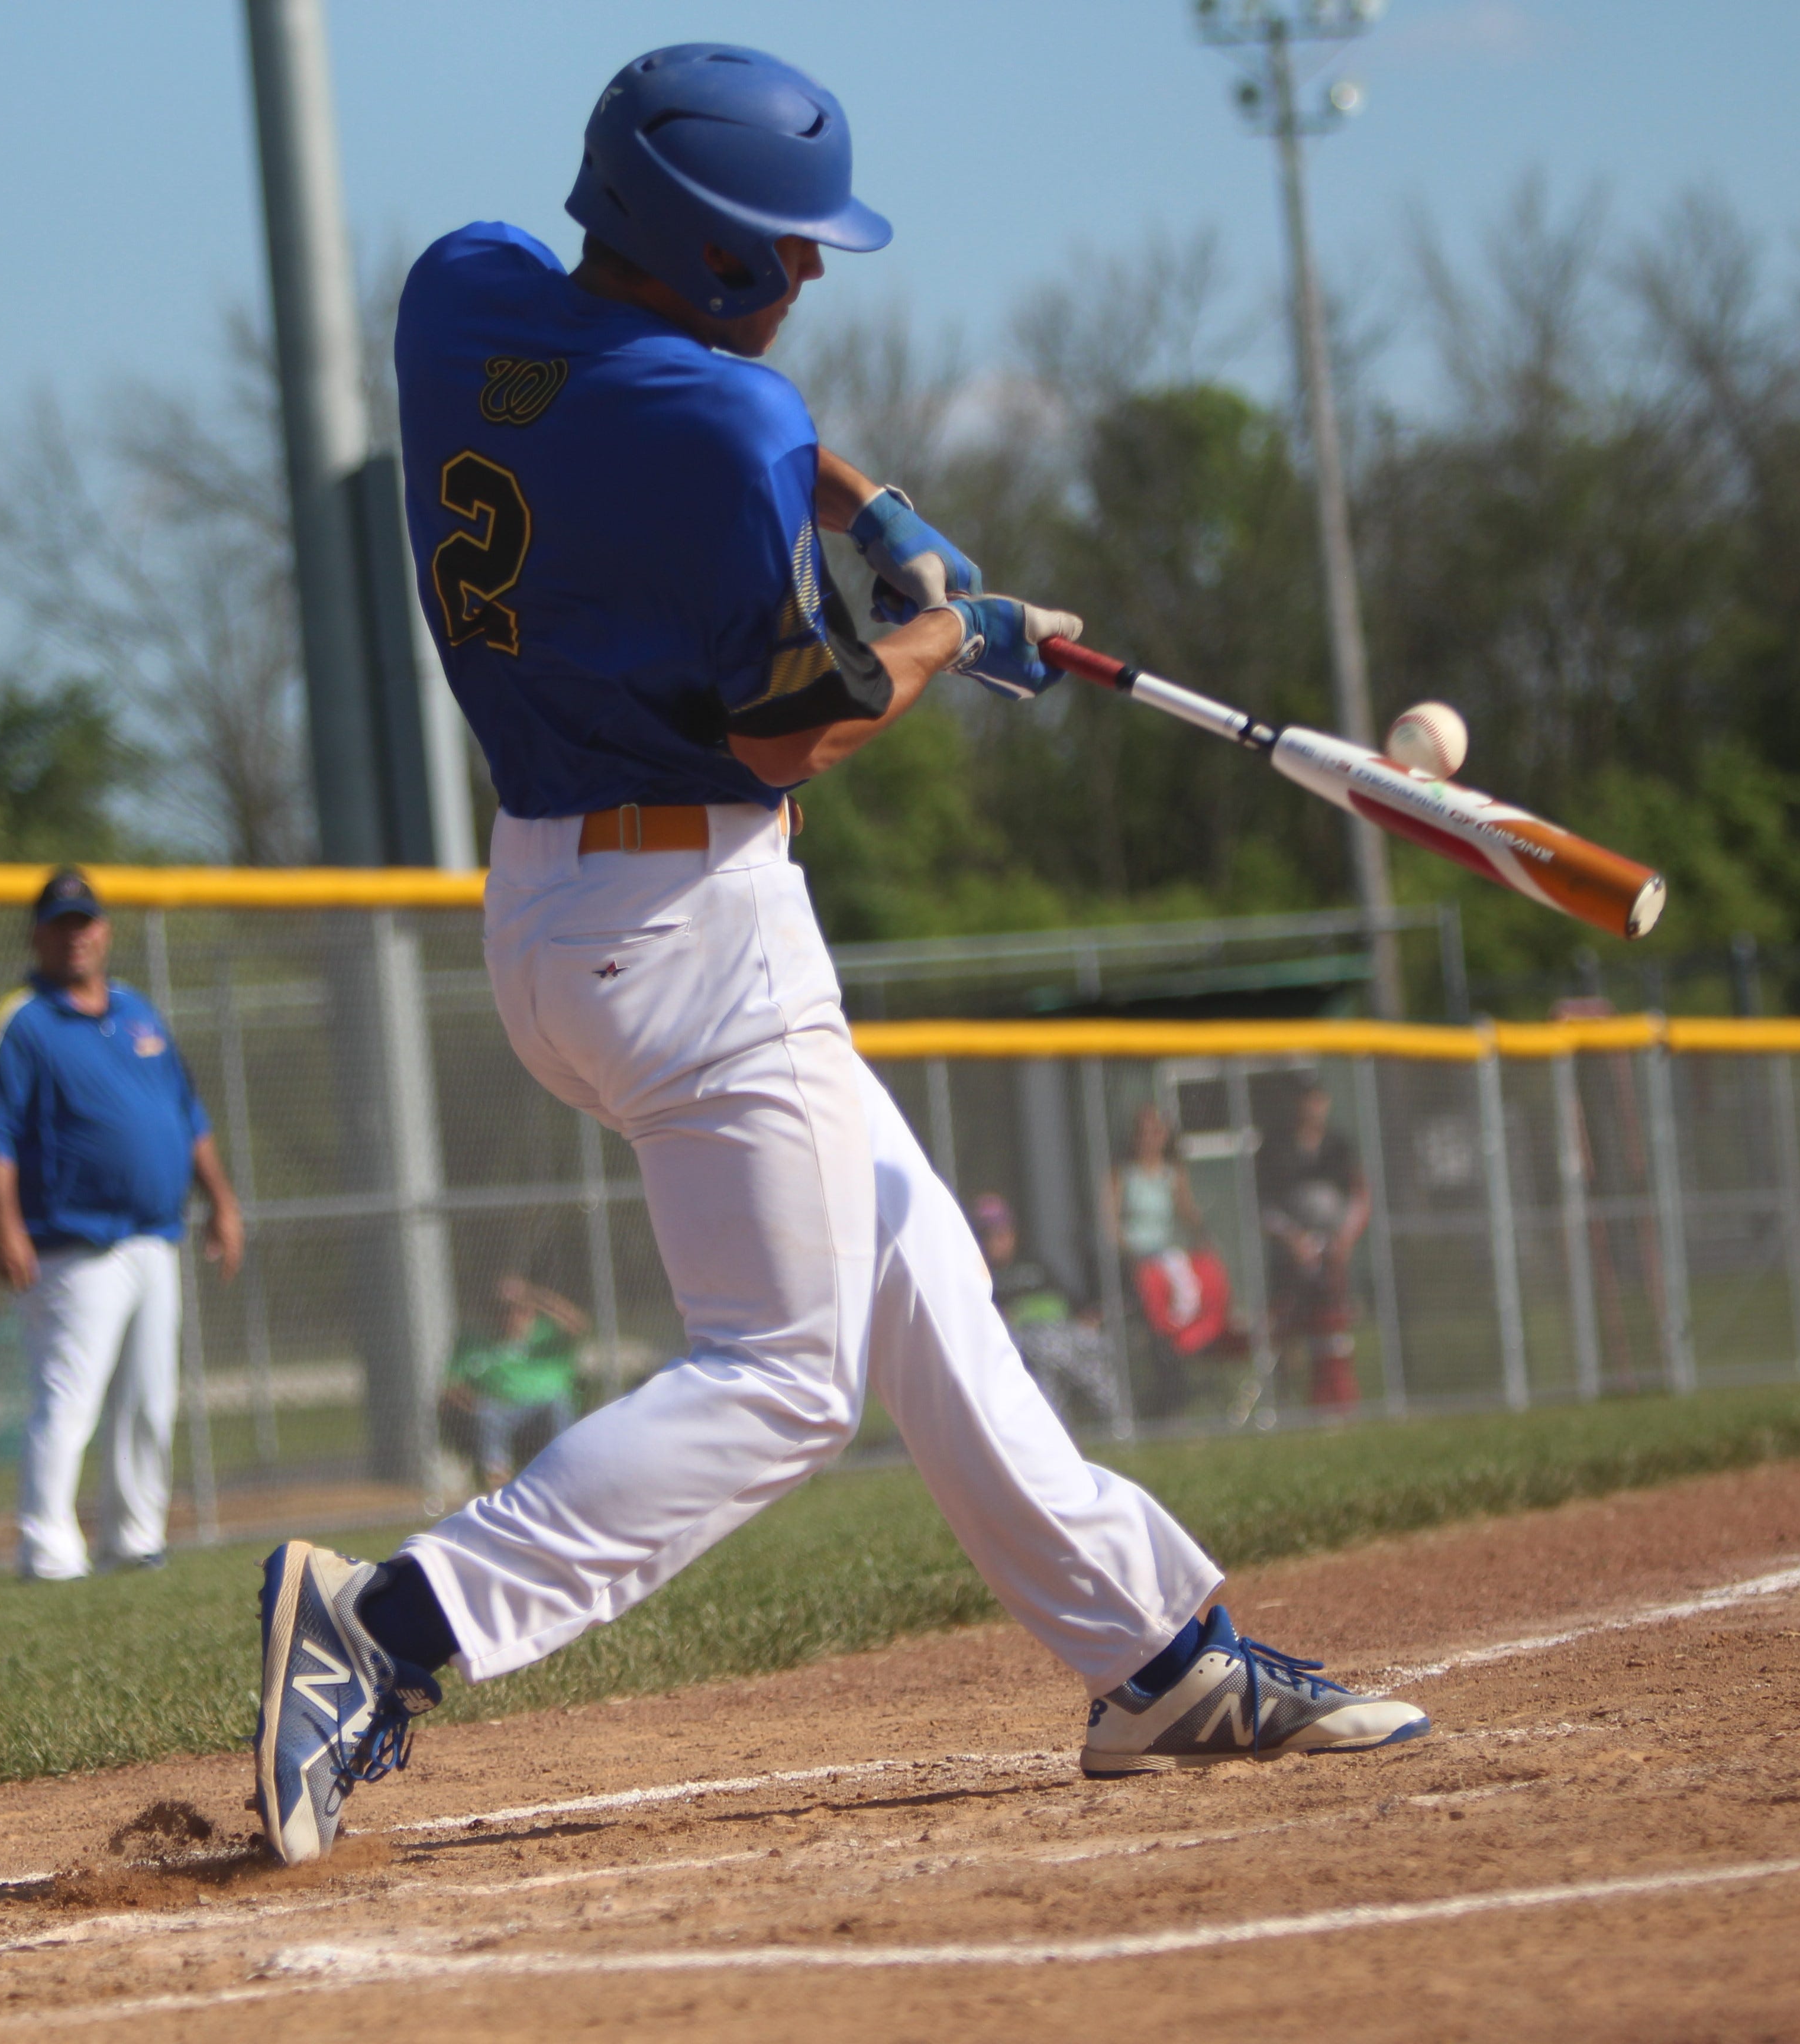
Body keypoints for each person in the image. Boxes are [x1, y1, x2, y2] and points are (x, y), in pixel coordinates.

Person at [250, 43, 1426, 1867]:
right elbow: (790, 727)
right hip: (697, 926)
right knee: (787, 1372)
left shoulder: (462, 287)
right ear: (711, 252)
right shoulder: (720, 435)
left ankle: (1159, 1657)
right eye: (784, 251)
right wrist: (952, 638)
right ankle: (393, 1629)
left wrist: (872, 519)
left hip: (557, 907)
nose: (806, 277)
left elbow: (714, 421)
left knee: (919, 1270)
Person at [0, 868, 243, 1580]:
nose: (76, 934)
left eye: (85, 921)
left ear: (105, 930)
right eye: (61, 923)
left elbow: (188, 1116)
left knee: (150, 1400)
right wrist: (5, 1226)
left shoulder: (138, 1011)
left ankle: (133, 1538)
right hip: (72, 1246)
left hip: (155, 1235)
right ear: (38, 936)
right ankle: (49, 1550)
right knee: (68, 1401)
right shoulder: (21, 1022)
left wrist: (222, 1201)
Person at [1106, 1101, 1233, 1416]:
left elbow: (1188, 1214)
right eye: (1143, 1133)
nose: (1150, 1139)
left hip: (1165, 1258)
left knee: (1196, 1282)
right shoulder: (1123, 1175)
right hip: (1138, 1261)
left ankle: (1192, 1347)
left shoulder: (1172, 1175)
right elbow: (1112, 1223)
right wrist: (1130, 1254)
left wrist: (1204, 1237)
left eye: (1156, 1132)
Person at [1258, 1081, 1371, 1412]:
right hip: (1291, 1251)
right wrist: (1293, 1239)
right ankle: (1286, 1404)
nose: (1312, 1108)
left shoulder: (1339, 1145)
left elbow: (1360, 1195)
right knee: (1287, 1326)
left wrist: (1345, 1239)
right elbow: (1262, 1205)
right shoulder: (1275, 1146)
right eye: (1305, 1100)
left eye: (1318, 1100)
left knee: (1332, 1323)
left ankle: (1334, 1399)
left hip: (1332, 1249)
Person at [973, 1194, 1119, 1428]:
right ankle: (1060, 1426)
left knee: (1094, 1348)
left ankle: (1117, 1422)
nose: (998, 1240)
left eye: (1003, 1232)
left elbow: (1074, 1303)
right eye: (989, 1234)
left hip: (1065, 1334)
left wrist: (1086, 1317)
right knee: (1050, 1354)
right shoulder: (985, 1276)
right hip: (1027, 1340)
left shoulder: (1035, 1264)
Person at [441, 1275, 591, 1488]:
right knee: (487, 1414)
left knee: (557, 1405)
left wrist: (534, 1295)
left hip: (544, 1409)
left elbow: (579, 1324)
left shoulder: (548, 1336)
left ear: (531, 1310)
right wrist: (465, 1399)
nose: (511, 1317)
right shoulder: (472, 1342)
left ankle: (565, 1475)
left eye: (519, 1310)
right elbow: (451, 1385)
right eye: (502, 1310)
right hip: (499, 1410)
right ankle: (498, 1485)